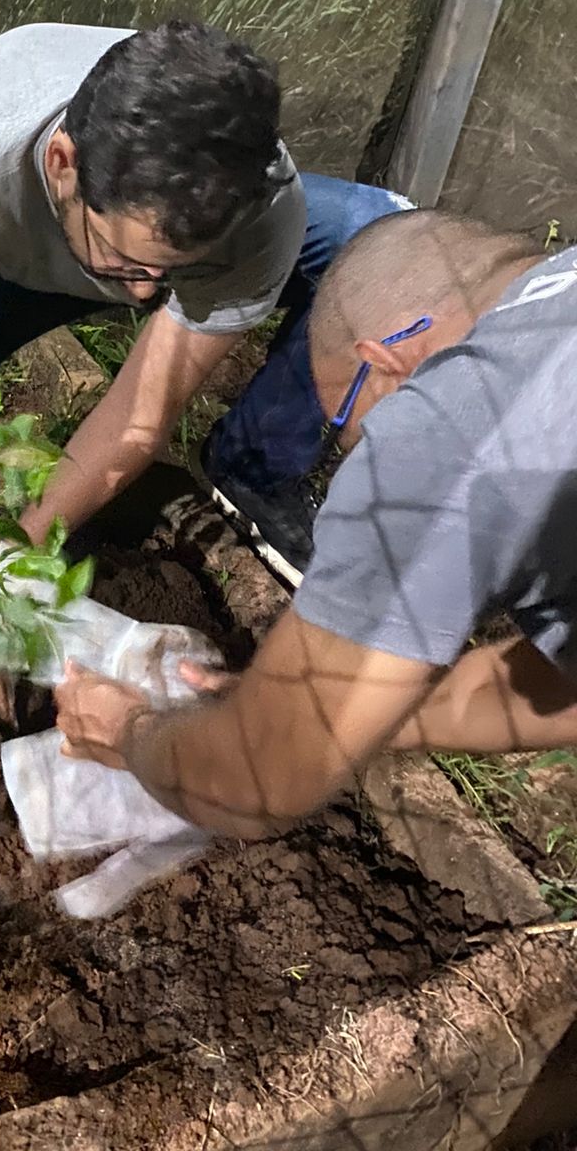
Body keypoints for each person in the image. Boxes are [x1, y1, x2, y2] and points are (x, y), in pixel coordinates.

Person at [0, 18, 407, 819]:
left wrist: (19, 558)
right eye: (132, 266)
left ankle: (248, 469)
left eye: (171, 275)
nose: (143, 299)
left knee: (385, 244)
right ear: (65, 165)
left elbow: (141, 416)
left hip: (155, 228)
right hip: (20, 247)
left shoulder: (256, 213)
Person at [54, 209, 577, 838]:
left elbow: (251, 783)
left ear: (385, 362)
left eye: (346, 432)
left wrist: (126, 730)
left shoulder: (446, 428)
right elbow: (559, 684)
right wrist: (336, 717)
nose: (357, 455)